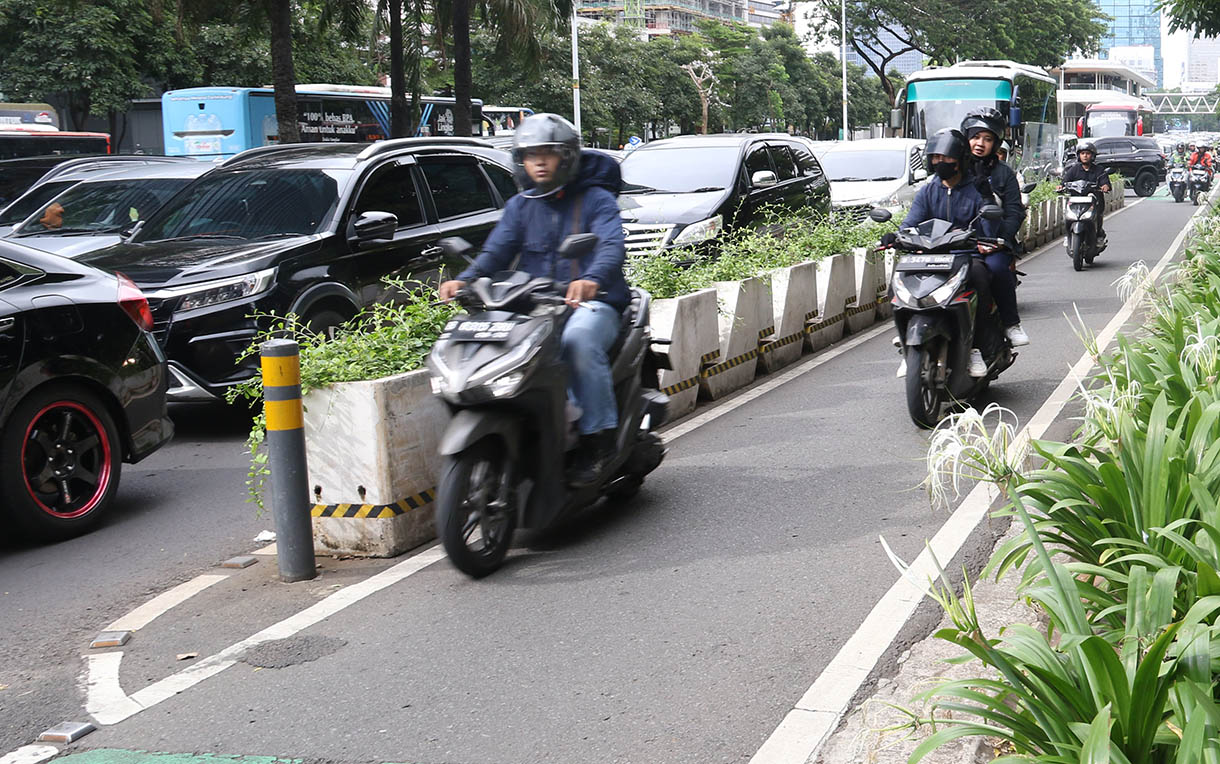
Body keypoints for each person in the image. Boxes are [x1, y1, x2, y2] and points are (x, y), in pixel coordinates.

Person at [438, 113, 628, 486]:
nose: (539, 161)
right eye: (531, 154)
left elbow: (611, 245)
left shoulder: (595, 199)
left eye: (548, 153)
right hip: (535, 303)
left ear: (567, 157)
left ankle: (597, 439)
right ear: (520, 161)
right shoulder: (521, 205)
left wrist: (591, 278)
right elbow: (495, 252)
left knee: (578, 341)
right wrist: (464, 281)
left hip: (594, 303)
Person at [888, 128, 1000, 378]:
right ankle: (906, 342)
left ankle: (976, 347)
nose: (940, 162)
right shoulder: (929, 190)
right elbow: (911, 222)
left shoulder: (976, 189)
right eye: (935, 158)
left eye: (946, 158)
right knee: (896, 281)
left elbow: (989, 225)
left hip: (966, 254)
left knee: (982, 280)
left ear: (959, 159)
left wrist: (986, 227)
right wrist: (897, 236)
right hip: (928, 256)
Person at [960, 107, 1029, 347]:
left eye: (987, 139)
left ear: (996, 143)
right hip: (957, 244)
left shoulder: (1004, 175)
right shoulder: (954, 170)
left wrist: (999, 238)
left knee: (997, 271)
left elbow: (1014, 211)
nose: (980, 144)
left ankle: (1011, 323)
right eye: (976, 137)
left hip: (993, 245)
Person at [1058, 139, 1111, 246]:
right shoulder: (1073, 169)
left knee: (1098, 214)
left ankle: (1099, 233)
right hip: (1076, 201)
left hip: (1093, 201)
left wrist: (1105, 186)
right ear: (1079, 155)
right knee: (1067, 215)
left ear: (1093, 155)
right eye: (1082, 153)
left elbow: (1105, 182)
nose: (1085, 156)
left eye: (1087, 153)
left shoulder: (1099, 170)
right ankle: (1068, 234)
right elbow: (1065, 181)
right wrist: (1061, 186)